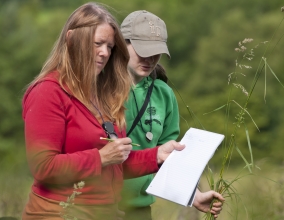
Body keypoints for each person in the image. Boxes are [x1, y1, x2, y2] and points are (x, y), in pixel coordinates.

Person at [21, 3, 186, 220]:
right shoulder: (48, 91)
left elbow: (115, 163)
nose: (104, 53)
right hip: (59, 213)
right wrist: (99, 157)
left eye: (109, 47)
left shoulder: (104, 94)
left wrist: (156, 156)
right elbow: (43, 167)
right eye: (98, 44)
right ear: (71, 39)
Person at [119, 10, 225, 219]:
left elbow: (168, 158)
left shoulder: (164, 94)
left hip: (139, 210)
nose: (150, 58)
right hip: (98, 206)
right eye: (143, 50)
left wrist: (193, 196)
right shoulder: (101, 87)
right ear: (123, 44)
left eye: (156, 51)